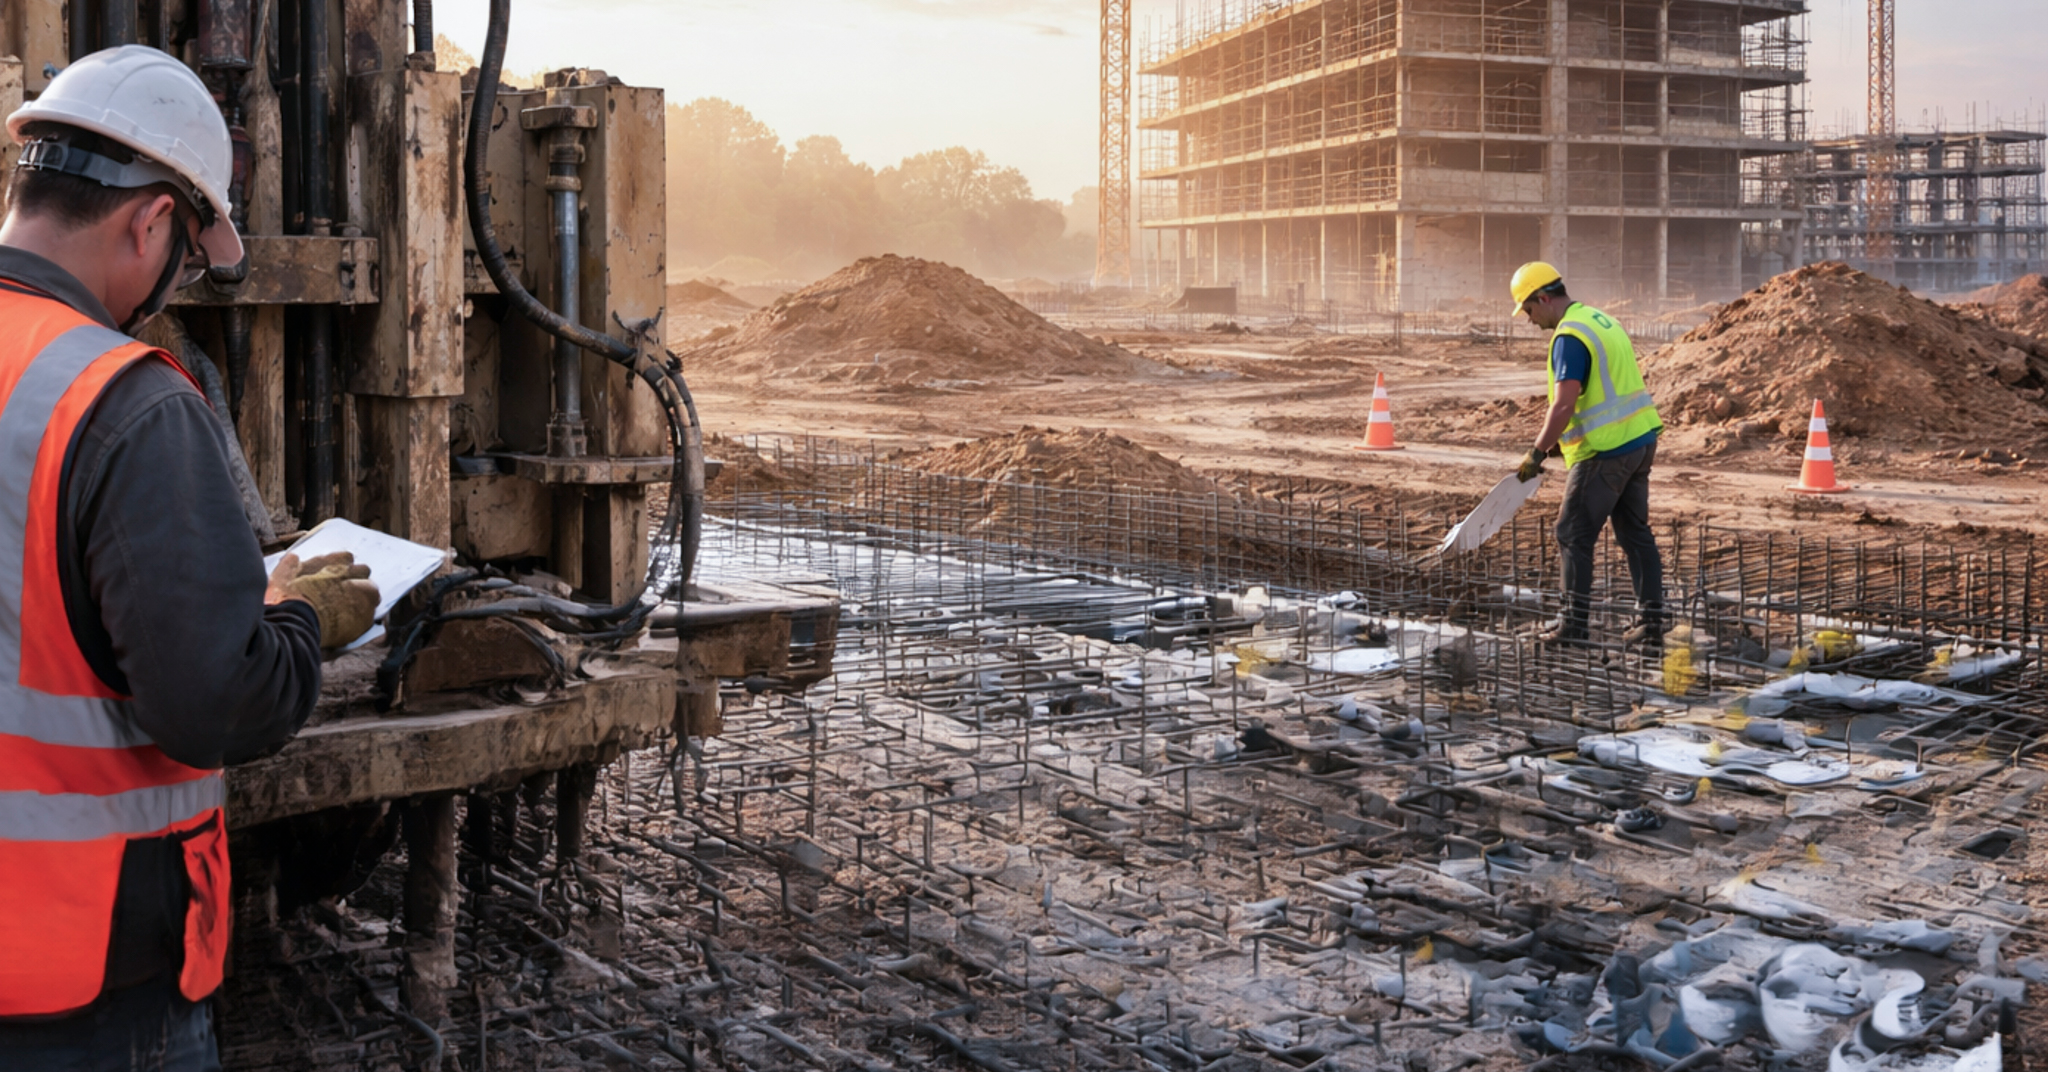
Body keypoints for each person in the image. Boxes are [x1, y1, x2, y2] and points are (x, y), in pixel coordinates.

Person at [0, 45, 377, 1068]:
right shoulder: (126, 401)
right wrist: (297, 616)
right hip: (80, 990)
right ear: (151, 221)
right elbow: (214, 704)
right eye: (183, 260)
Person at [1507, 261, 1664, 649]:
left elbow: (1563, 404)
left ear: (1543, 298)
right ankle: (1653, 623)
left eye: (1529, 309)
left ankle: (1572, 626)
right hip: (1639, 439)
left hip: (1606, 450)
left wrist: (1538, 452)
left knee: (1572, 533)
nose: (1529, 319)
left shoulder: (1569, 336)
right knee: (1634, 534)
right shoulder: (1598, 319)